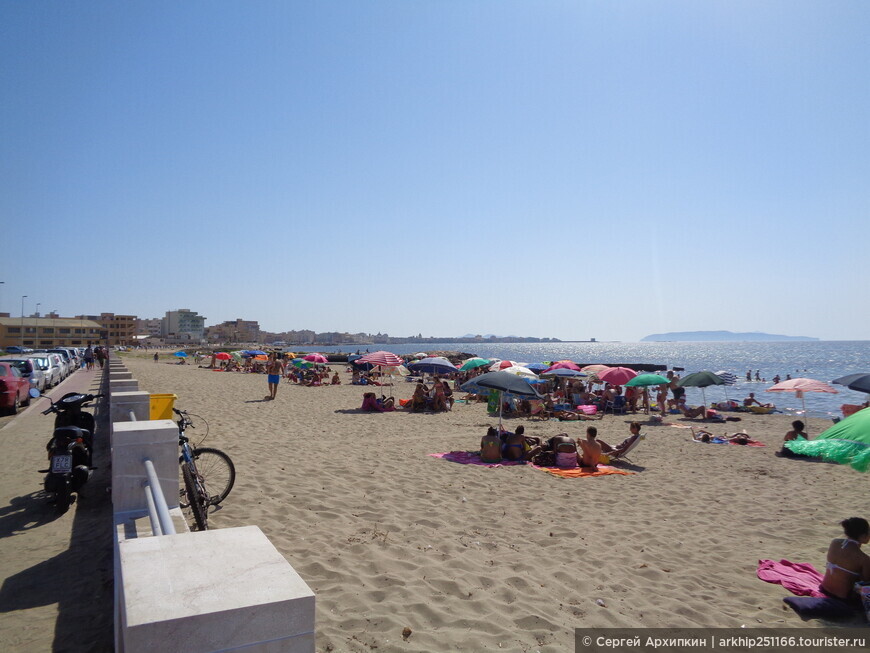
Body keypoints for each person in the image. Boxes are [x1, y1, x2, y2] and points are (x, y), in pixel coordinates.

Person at [820, 518, 870, 602]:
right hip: (843, 597)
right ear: (863, 535)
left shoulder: (834, 542)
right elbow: (866, 584)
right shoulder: (863, 558)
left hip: (824, 588)